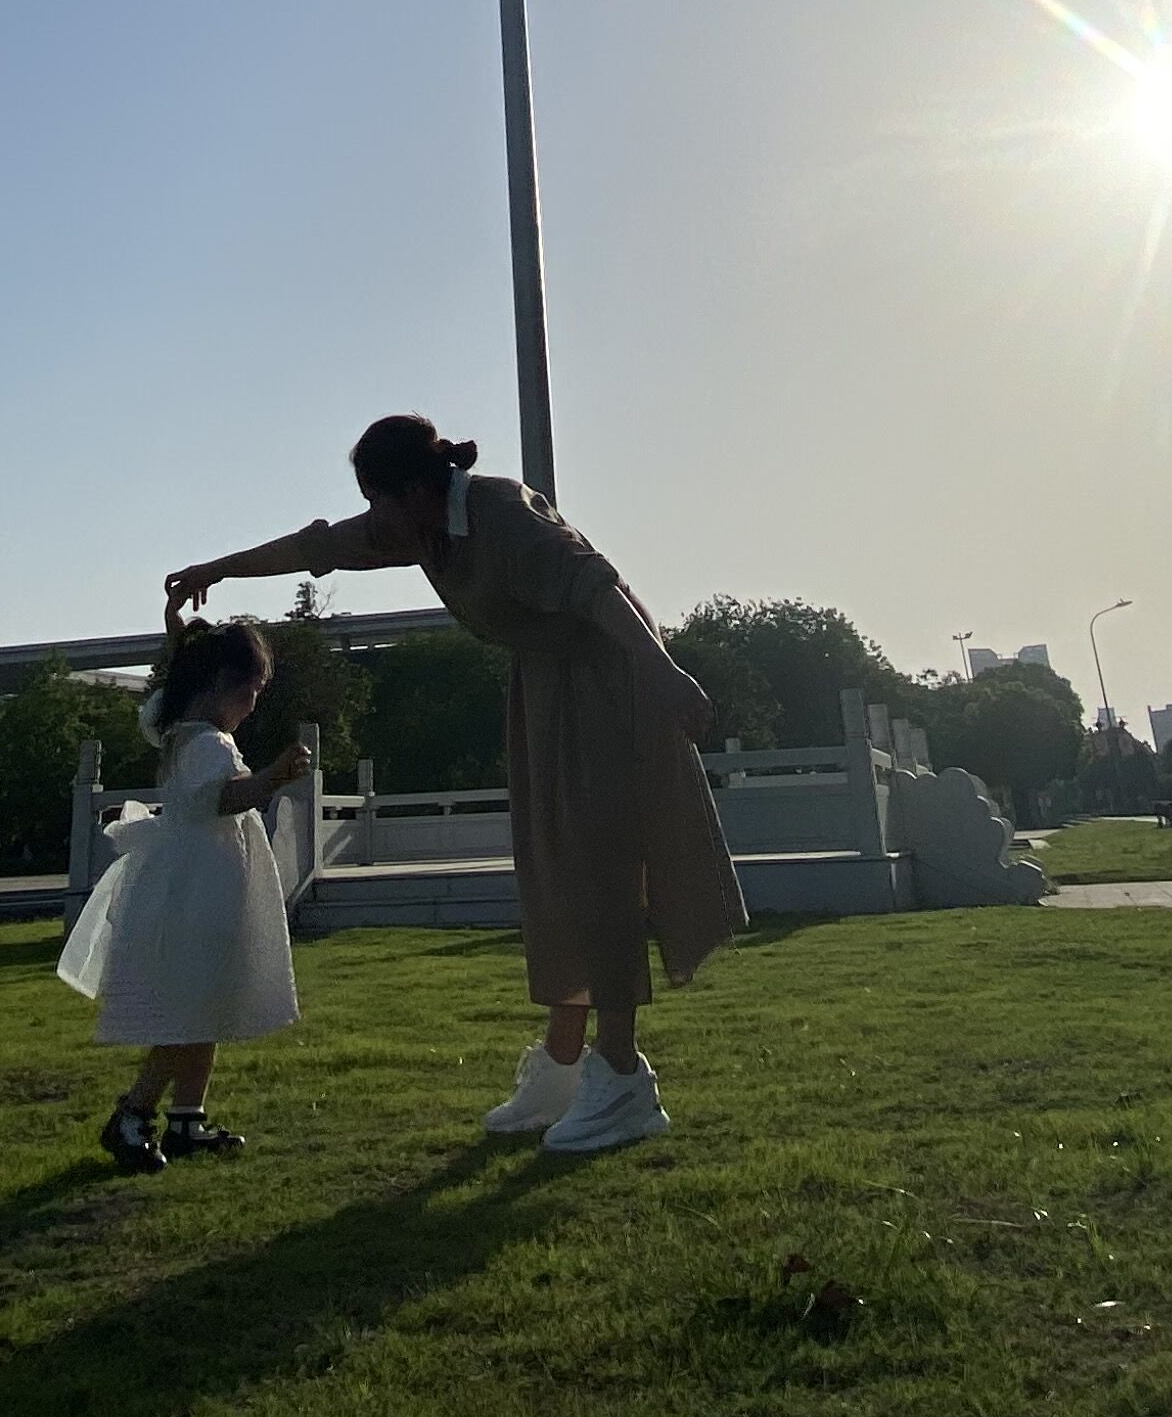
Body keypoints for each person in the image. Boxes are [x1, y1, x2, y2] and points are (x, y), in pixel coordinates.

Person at [163, 414, 743, 1156]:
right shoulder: (424, 529)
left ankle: (622, 1077)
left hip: (611, 681)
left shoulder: (499, 511)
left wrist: (663, 673)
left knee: (600, 872)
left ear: (414, 488)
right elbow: (318, 547)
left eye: (377, 500)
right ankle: (563, 1066)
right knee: (554, 873)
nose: (372, 518)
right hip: (546, 688)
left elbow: (599, 588)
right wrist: (216, 570)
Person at [58, 614, 313, 1174]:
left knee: (207, 1002)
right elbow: (217, 799)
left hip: (198, 884)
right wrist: (272, 777)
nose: (253, 705)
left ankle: (187, 1117)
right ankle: (134, 1112)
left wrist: (181, 641)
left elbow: (168, 695)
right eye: (251, 690)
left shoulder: (173, 726)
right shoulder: (208, 744)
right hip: (203, 891)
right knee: (191, 1012)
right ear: (220, 682)